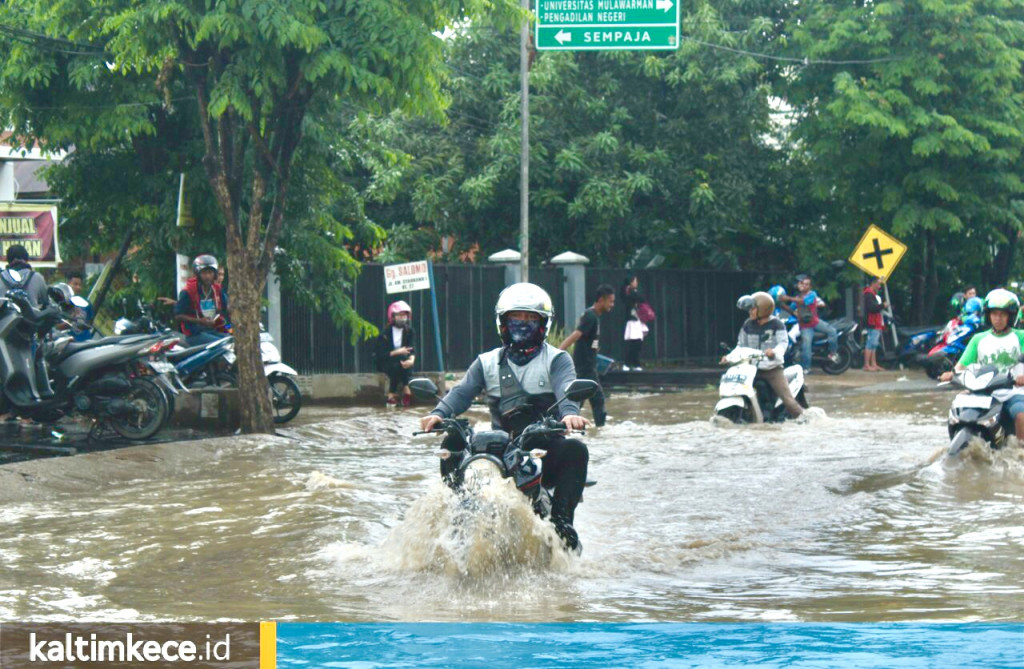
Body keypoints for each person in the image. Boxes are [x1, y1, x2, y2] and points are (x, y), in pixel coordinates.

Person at [419, 283, 590, 552]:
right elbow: (462, 392)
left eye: (530, 319)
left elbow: (568, 389)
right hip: (501, 449)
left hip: (543, 448)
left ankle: (561, 525)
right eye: (515, 319)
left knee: (576, 450)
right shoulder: (486, 362)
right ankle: (456, 515)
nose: (521, 325)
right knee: (451, 447)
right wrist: (438, 414)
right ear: (503, 323)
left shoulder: (557, 360)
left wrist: (570, 415)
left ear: (543, 324)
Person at [940, 289, 1024, 441]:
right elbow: (961, 366)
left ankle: (1020, 452)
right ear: (988, 315)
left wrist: (1021, 378)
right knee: (957, 405)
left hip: (1013, 392)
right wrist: (950, 375)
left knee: (1021, 414)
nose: (998, 318)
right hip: (982, 392)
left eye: (1002, 314)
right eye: (994, 314)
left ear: (1011, 316)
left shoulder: (1020, 337)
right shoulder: (978, 339)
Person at [726, 292, 804, 419]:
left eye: (752, 309)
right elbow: (740, 346)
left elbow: (783, 343)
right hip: (750, 369)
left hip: (771, 369)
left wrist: (774, 352)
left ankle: (804, 419)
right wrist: (729, 357)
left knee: (788, 400)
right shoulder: (747, 324)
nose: (750, 312)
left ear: (763, 309)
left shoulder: (777, 324)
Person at [559, 284, 615, 427]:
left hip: (589, 365)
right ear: (601, 300)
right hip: (585, 367)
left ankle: (566, 424)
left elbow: (590, 341)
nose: (612, 305)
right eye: (610, 301)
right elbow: (576, 335)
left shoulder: (594, 316)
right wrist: (559, 351)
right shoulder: (590, 316)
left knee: (579, 398)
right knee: (598, 399)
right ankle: (599, 429)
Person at [781, 274, 839, 373]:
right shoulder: (797, 297)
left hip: (815, 322)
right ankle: (806, 368)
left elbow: (805, 301)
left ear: (810, 286)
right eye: (803, 283)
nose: (804, 286)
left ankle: (832, 353)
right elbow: (791, 309)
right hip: (804, 326)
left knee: (832, 331)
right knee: (806, 346)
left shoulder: (812, 294)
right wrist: (781, 304)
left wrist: (788, 298)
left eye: (807, 284)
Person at [174, 254, 230, 347]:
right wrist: (199, 321)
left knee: (232, 342)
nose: (207, 276)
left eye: (210, 273)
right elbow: (178, 315)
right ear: (198, 274)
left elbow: (226, 308)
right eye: (204, 273)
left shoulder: (217, 290)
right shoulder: (188, 291)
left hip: (212, 330)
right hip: (195, 334)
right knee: (223, 346)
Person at [376, 300, 416, 408]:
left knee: (402, 360)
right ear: (393, 316)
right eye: (399, 315)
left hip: (403, 363)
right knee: (400, 359)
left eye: (404, 315)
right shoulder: (385, 333)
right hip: (387, 363)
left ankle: (391, 396)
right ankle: (406, 389)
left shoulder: (409, 331)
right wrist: (397, 352)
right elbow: (381, 355)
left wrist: (411, 361)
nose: (402, 317)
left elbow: (411, 349)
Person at [621, 275, 646, 371]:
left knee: (637, 343)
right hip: (632, 320)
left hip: (637, 319)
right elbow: (640, 298)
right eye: (635, 281)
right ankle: (628, 363)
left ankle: (635, 363)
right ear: (631, 282)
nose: (636, 283)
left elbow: (642, 299)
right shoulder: (627, 292)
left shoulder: (633, 292)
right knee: (634, 343)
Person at [861, 277, 887, 371]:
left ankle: (873, 363)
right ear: (873, 283)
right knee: (870, 343)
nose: (879, 286)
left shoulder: (872, 294)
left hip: (876, 322)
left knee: (874, 344)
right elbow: (872, 308)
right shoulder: (868, 294)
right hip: (872, 322)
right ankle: (867, 365)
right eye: (878, 284)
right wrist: (882, 306)